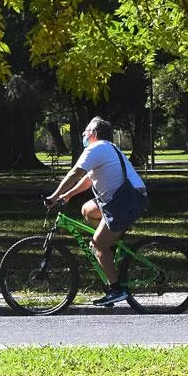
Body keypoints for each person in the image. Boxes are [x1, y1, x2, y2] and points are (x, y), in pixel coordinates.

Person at [45, 116, 148, 306]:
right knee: (87, 209)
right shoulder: (106, 149)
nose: (83, 134)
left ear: (94, 133)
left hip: (125, 201)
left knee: (98, 244)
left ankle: (116, 289)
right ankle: (111, 243)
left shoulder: (96, 148)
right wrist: (68, 195)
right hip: (123, 199)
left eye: (86, 131)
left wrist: (54, 195)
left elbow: (75, 173)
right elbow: (89, 179)